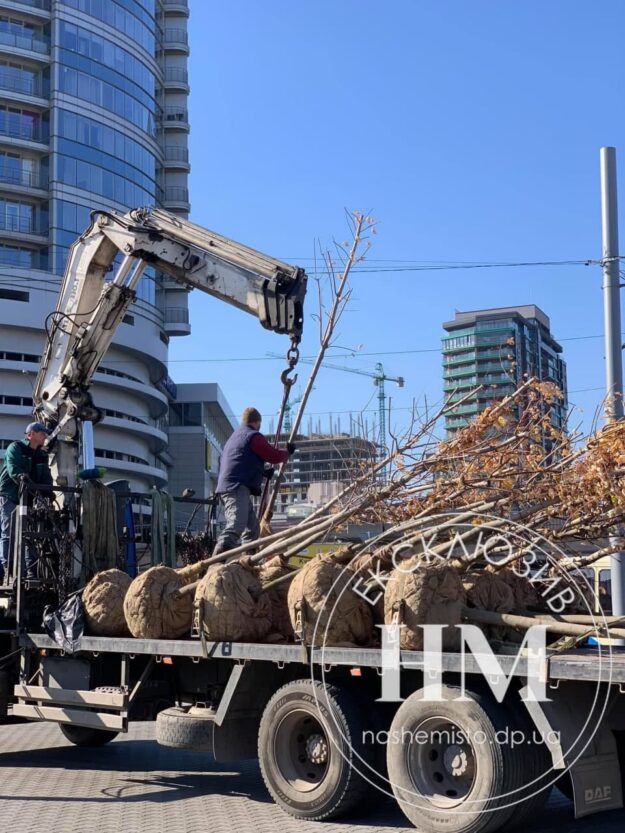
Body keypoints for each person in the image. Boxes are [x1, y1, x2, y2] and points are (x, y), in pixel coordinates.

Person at [212, 407, 295, 555]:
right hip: (236, 486)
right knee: (237, 524)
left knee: (252, 528)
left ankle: (248, 561)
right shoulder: (253, 436)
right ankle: (215, 563)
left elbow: (240, 461)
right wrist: (287, 453)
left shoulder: (235, 437)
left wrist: (262, 473)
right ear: (257, 422)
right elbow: (273, 455)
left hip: (232, 485)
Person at [0, 421, 53, 580]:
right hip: (11, 495)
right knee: (9, 532)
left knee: (30, 534)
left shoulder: (41, 455)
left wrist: (49, 493)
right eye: (41, 432)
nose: (45, 435)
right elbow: (14, 470)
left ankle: (30, 571)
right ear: (31, 434)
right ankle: (9, 570)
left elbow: (45, 477)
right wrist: (22, 478)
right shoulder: (15, 448)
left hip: (29, 497)